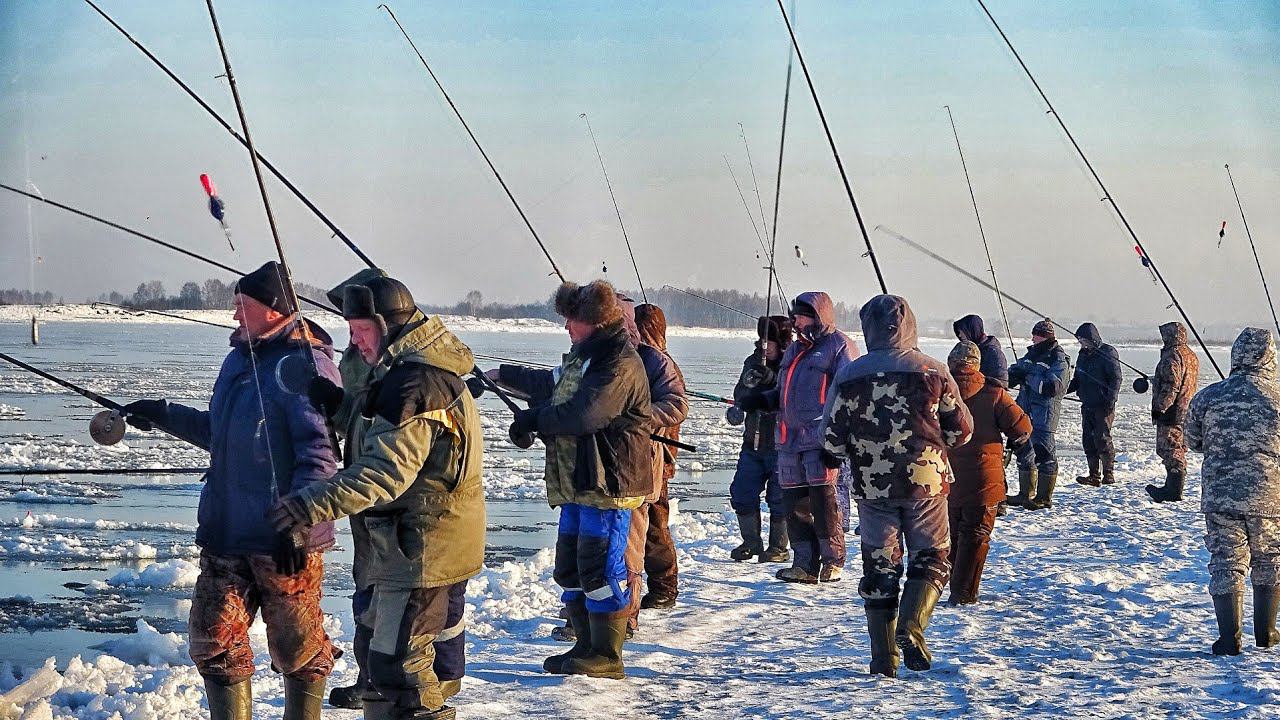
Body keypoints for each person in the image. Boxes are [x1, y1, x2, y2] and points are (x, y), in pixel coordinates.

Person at [123, 261, 341, 720]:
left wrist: (301, 522)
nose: (235, 315)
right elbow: (222, 434)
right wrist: (163, 415)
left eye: (243, 306)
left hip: (284, 539)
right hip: (226, 533)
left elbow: (320, 454)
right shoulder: (239, 358)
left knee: (297, 650)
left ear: (273, 309)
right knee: (213, 642)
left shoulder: (302, 365)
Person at [269, 276, 486, 719]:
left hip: (422, 547)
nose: (356, 342)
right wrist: (340, 406)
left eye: (362, 331)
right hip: (410, 545)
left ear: (388, 325)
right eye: (350, 332)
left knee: (400, 667)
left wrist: (308, 505)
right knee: (382, 658)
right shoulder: (401, 373)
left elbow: (385, 473)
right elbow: (379, 437)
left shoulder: (415, 384)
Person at [496, 280, 652, 679]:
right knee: (570, 568)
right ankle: (584, 644)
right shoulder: (583, 357)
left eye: (572, 320)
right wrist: (500, 375)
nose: (566, 327)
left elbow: (585, 414)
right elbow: (550, 385)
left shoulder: (618, 362)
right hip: (578, 483)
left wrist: (534, 420)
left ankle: (608, 653)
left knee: (599, 568)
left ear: (594, 321)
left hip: (609, 484)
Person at [821, 295, 973, 677]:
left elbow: (831, 438)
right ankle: (913, 625)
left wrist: (850, 452)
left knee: (880, 564)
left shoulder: (850, 375)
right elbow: (962, 430)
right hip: (927, 482)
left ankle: (883, 659)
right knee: (933, 555)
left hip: (874, 487)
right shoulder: (934, 370)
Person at [740, 291, 858, 584]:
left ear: (817, 316)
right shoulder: (793, 351)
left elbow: (849, 396)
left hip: (820, 439)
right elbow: (783, 392)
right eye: (794, 315)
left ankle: (833, 561)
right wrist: (763, 400)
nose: (795, 320)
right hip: (789, 439)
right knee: (795, 507)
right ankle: (804, 564)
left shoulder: (839, 347)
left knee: (824, 505)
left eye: (801, 315)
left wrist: (838, 442)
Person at [1185, 327, 1280, 655]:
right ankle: (1267, 632)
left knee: (1226, 561)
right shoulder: (1278, 399)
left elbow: (1192, 441)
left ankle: (1229, 639)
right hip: (1269, 497)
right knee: (1269, 559)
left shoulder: (1209, 397)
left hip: (1219, 496)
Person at [945, 341, 1030, 606]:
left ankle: (945, 588)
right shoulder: (994, 393)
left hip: (946, 477)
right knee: (976, 535)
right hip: (984, 479)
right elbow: (1021, 427)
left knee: (954, 534)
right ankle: (964, 594)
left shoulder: (939, 390)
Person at [632, 302, 687, 611]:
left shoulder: (661, 365)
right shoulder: (638, 360)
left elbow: (673, 413)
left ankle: (665, 586)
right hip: (643, 457)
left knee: (655, 523)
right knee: (649, 524)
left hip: (658, 456)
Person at [727, 315, 793, 563]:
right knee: (742, 492)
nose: (764, 346)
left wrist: (772, 381)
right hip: (752, 443)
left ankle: (778, 547)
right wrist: (749, 387)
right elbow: (740, 394)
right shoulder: (752, 361)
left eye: (770, 341)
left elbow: (793, 395)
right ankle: (751, 542)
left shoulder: (792, 363)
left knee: (779, 497)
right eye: (762, 340)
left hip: (781, 444)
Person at [1006, 319, 1071, 511]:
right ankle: (1025, 494)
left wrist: (1029, 377)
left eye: (1035, 334)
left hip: (1044, 414)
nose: (1032, 338)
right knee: (1024, 452)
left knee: (1045, 454)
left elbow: (1053, 387)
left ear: (1043, 336)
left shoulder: (1058, 359)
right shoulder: (1031, 355)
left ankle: (1044, 497)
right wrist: (1010, 376)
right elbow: (1015, 372)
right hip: (1025, 412)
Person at [1146, 322, 1200, 503]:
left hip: (1172, 410)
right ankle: (1172, 487)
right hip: (1187, 408)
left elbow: (1172, 385)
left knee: (1169, 448)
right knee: (1178, 447)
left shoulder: (1172, 356)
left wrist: (1160, 407)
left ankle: (1173, 490)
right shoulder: (1190, 355)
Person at [1069, 323, 1123, 488]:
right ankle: (1093, 475)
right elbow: (1077, 380)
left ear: (1092, 338)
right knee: (1088, 440)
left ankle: (1108, 473)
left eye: (1084, 340)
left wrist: (1110, 400)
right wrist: (1061, 390)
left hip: (1103, 405)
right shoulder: (1082, 356)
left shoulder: (1108, 352)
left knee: (1102, 438)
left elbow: (1116, 378)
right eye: (1080, 341)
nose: (1082, 343)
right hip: (1087, 403)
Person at [953, 313, 1009, 385]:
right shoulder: (965, 352)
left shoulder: (993, 353)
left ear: (972, 331)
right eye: (958, 333)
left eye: (962, 332)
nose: (960, 335)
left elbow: (1001, 382)